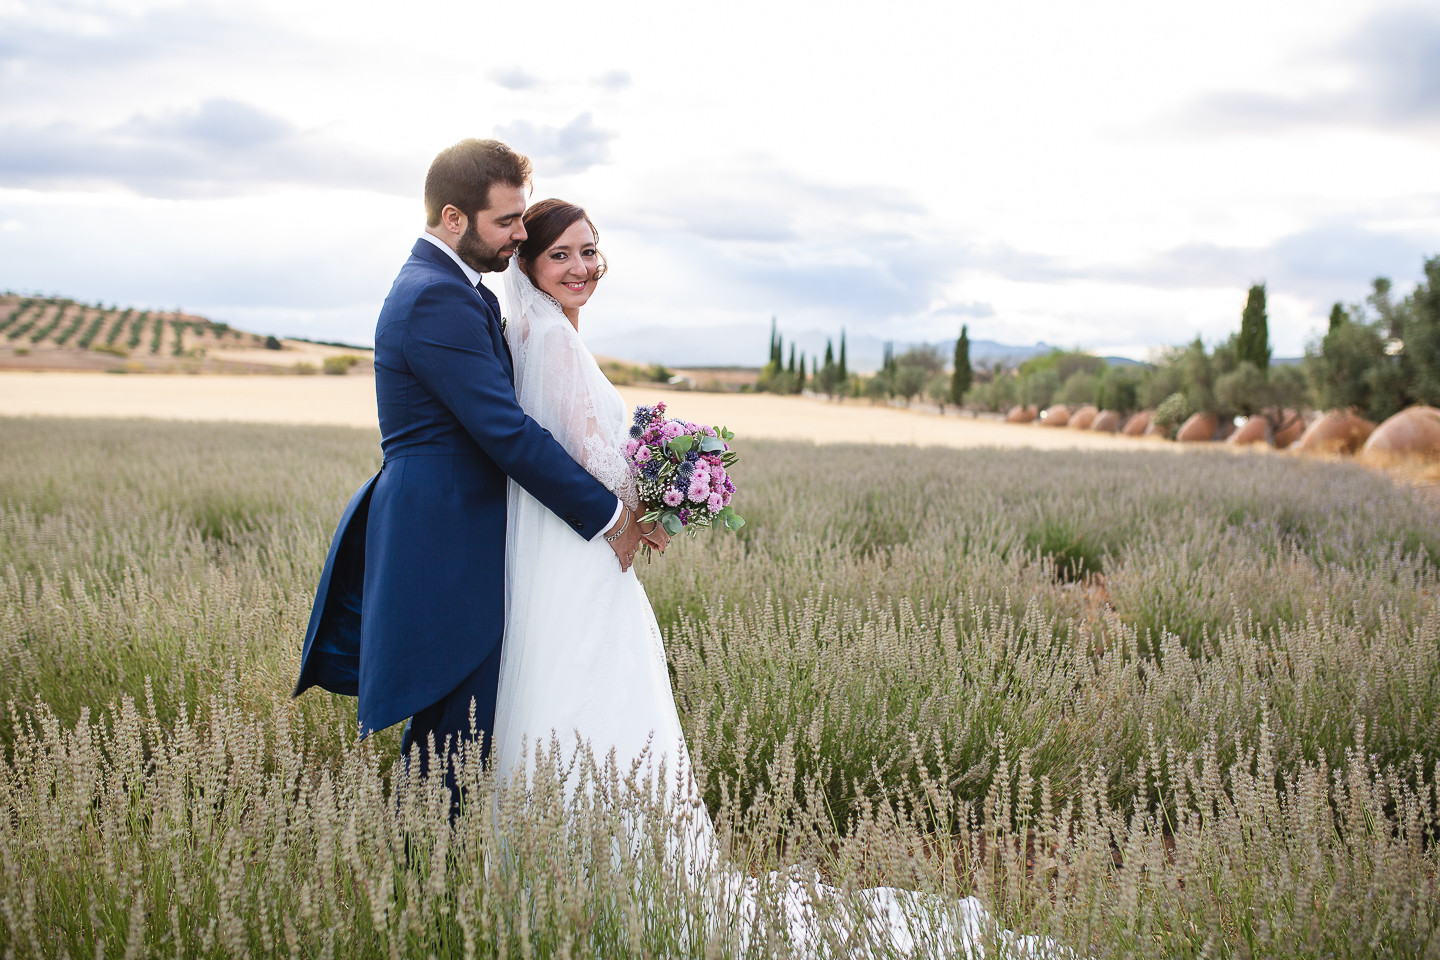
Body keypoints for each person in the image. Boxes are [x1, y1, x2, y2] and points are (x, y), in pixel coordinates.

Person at [491, 200, 1027, 954]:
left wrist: (664, 481)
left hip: (583, 547)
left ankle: (584, 877)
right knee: (587, 695)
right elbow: (587, 459)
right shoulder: (547, 337)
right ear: (529, 265)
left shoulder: (553, 331)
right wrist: (663, 490)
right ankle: (600, 878)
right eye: (561, 256)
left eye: (590, 252)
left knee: (591, 701)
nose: (582, 267)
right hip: (584, 554)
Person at [292, 140, 662, 811]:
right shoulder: (436, 298)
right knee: (448, 736)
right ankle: (425, 883)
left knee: (465, 730)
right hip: (443, 536)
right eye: (507, 222)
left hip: (462, 526)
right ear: (455, 218)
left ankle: (443, 878)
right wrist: (610, 518)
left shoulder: (456, 291)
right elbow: (505, 432)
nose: (520, 234)